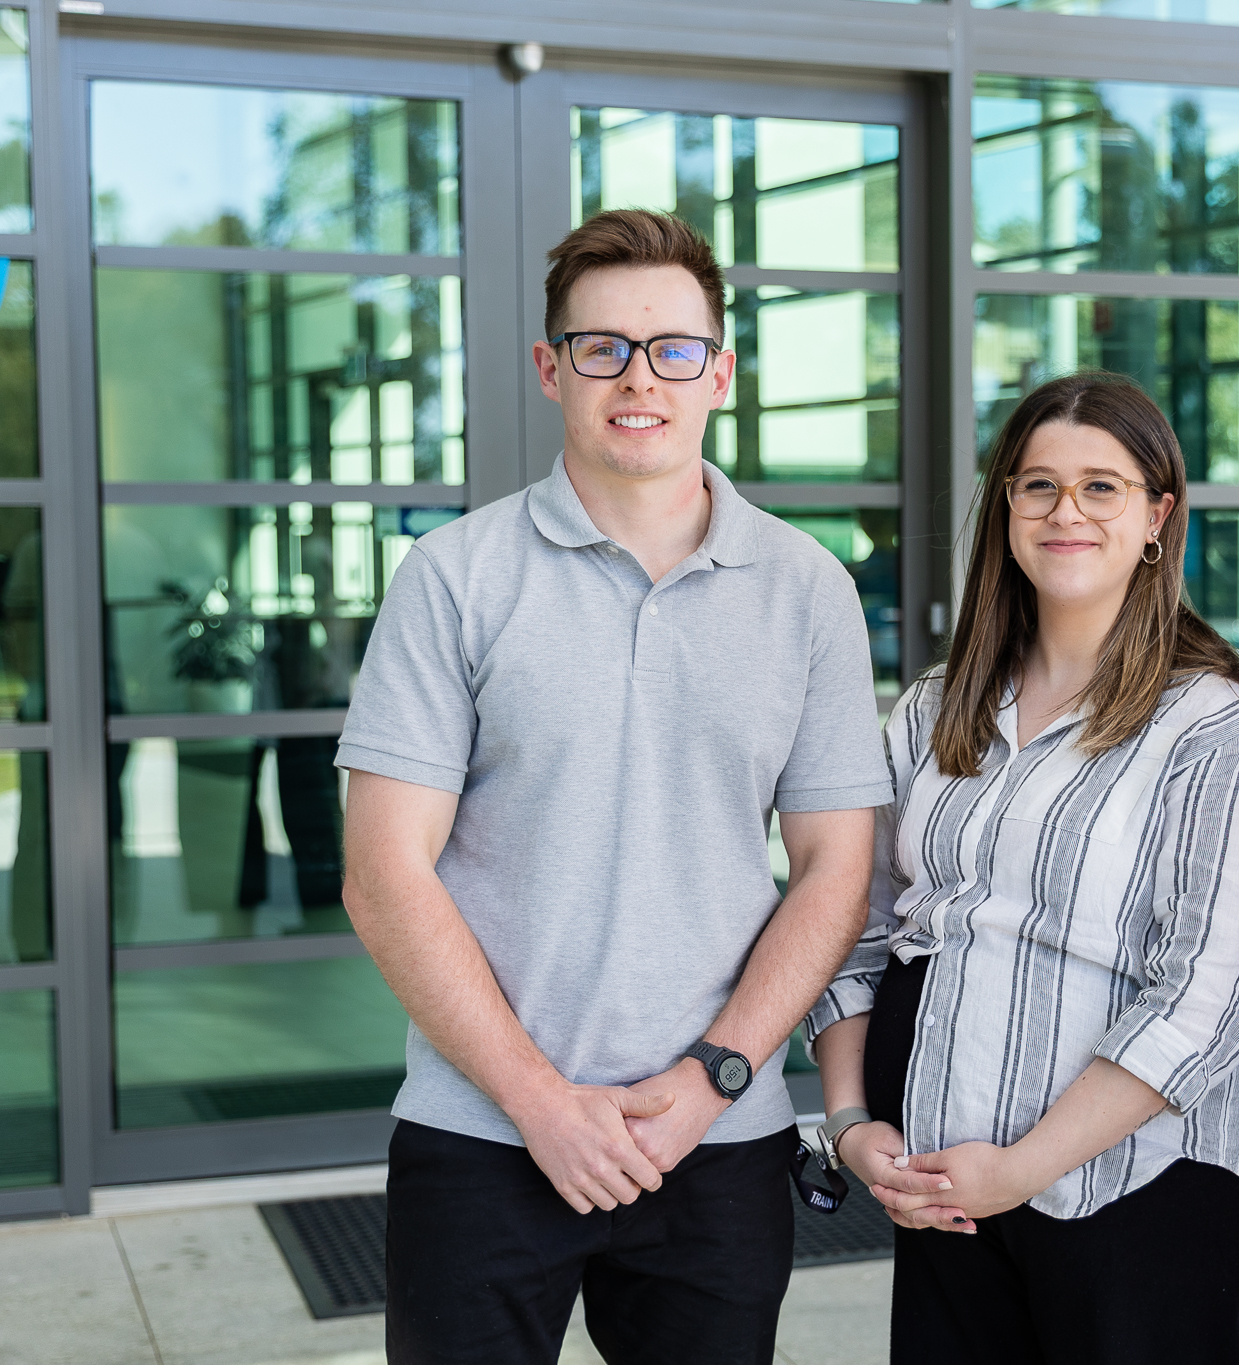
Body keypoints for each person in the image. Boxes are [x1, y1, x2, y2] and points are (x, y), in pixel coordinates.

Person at [337, 209, 891, 1364]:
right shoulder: (453, 577)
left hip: (717, 1140)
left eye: (673, 349)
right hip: (482, 1134)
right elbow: (384, 873)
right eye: (603, 348)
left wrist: (712, 1078)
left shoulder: (807, 589)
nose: (639, 378)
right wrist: (539, 1102)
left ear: (719, 375)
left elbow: (836, 870)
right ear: (552, 369)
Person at [805, 372, 1239, 1365]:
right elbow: (853, 925)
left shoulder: (1215, 725)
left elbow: (1206, 998)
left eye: (1100, 487)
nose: (1065, 511)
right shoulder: (934, 708)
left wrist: (1023, 1168)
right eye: (1038, 485)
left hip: (1144, 1183)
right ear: (1006, 508)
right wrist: (851, 1122)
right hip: (943, 1178)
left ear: (1157, 515)